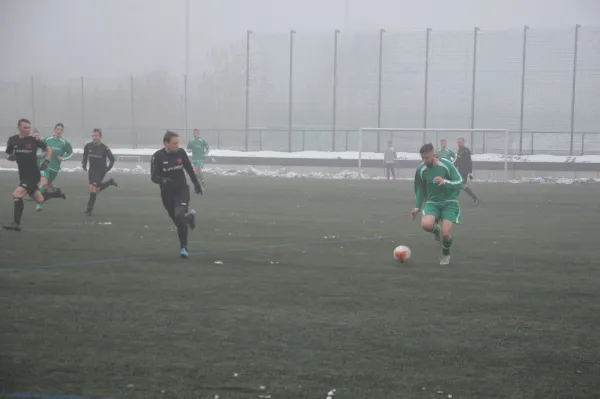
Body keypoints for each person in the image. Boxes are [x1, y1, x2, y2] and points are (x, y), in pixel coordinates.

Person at [3, 119, 67, 231]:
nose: (28, 130)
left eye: (29, 128)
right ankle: (57, 194)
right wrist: (10, 157)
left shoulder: (33, 140)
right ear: (19, 128)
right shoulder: (12, 140)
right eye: (25, 128)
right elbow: (7, 154)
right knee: (40, 199)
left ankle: (16, 224)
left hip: (33, 174)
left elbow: (48, 149)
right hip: (23, 175)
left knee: (17, 195)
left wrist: (46, 161)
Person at [152, 130, 203, 259]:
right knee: (179, 221)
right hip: (167, 194)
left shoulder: (181, 153)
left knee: (179, 214)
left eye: (178, 143)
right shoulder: (157, 156)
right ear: (166, 143)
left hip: (182, 190)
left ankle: (183, 248)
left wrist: (196, 184)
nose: (177, 145)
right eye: (175, 143)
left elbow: (188, 168)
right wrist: (163, 180)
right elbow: (153, 177)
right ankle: (189, 218)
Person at [411, 143, 463, 265]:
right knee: (426, 225)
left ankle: (445, 254)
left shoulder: (446, 165)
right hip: (432, 202)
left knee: (446, 234)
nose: (424, 161)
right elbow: (420, 188)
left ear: (434, 155)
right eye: (422, 158)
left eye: (427, 158)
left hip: (450, 202)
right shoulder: (421, 169)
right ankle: (436, 231)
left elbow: (460, 183)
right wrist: (417, 206)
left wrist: (445, 182)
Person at [36, 123, 73, 211]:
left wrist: (63, 158)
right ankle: (38, 204)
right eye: (58, 129)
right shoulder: (48, 139)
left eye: (61, 130)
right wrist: (40, 152)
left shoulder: (64, 143)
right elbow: (39, 146)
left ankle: (56, 193)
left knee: (46, 186)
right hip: (45, 164)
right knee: (44, 183)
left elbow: (70, 153)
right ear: (54, 130)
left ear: (62, 131)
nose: (59, 131)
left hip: (55, 168)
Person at [82, 128, 117, 215]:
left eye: (96, 136)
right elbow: (85, 156)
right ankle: (109, 182)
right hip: (91, 170)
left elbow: (112, 159)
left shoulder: (105, 148)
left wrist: (107, 169)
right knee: (95, 190)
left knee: (92, 189)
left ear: (100, 137)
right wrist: (84, 164)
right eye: (93, 136)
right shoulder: (88, 146)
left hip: (100, 171)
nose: (94, 137)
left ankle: (88, 210)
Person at [455, 137, 480, 205]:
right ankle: (475, 198)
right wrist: (453, 167)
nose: (459, 143)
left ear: (463, 143)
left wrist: (470, 173)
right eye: (458, 142)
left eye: (460, 142)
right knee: (461, 185)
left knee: (460, 185)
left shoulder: (466, 150)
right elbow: (457, 160)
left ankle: (475, 198)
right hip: (460, 171)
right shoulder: (459, 150)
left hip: (464, 171)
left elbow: (469, 161)